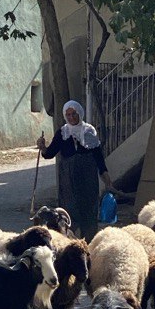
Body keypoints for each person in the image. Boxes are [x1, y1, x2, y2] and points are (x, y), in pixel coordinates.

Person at [37, 100, 114, 241]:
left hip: (87, 180)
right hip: (68, 183)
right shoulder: (62, 133)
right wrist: (42, 147)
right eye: (68, 114)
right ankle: (68, 245)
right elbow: (49, 154)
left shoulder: (89, 131)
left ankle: (89, 244)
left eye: (74, 114)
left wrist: (106, 177)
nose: (71, 117)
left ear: (80, 113)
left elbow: (98, 158)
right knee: (68, 214)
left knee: (89, 213)